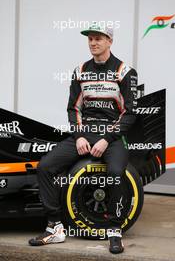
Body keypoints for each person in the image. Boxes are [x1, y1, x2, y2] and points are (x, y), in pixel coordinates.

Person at [29, 22, 138, 254]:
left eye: (98, 38)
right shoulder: (80, 70)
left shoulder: (125, 71)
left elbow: (129, 113)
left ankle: (114, 229)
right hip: (84, 133)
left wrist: (107, 138)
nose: (93, 42)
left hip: (112, 136)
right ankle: (55, 227)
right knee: (45, 166)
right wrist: (79, 136)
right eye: (89, 38)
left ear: (110, 41)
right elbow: (74, 109)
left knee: (117, 173)